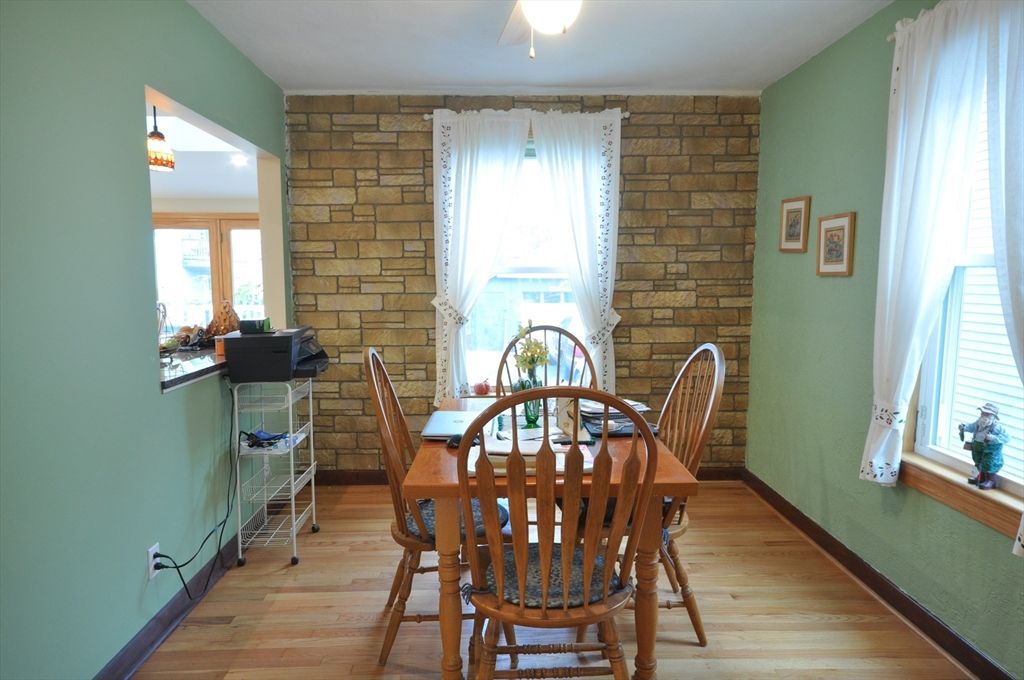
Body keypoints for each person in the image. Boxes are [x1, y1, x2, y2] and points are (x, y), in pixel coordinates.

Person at [960, 403, 1010, 490]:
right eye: (983, 413)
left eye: (987, 414)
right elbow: (971, 427)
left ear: (993, 416)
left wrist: (993, 438)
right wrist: (964, 427)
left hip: (990, 450)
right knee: (979, 462)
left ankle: (991, 480)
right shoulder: (979, 423)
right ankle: (981, 477)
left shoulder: (997, 427)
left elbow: (1006, 437)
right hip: (978, 447)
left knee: (989, 464)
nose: (984, 416)